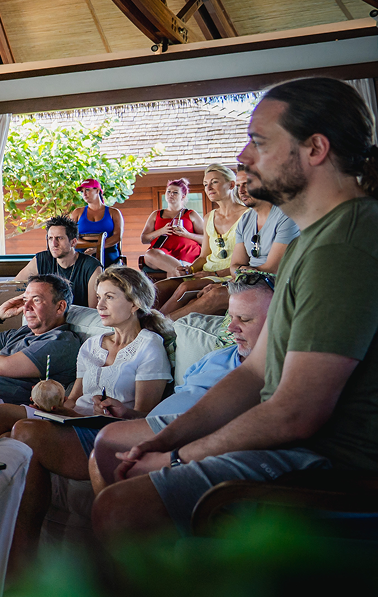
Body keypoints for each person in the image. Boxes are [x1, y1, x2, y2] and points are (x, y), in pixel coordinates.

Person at [93, 77, 378, 540]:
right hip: (300, 442)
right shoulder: (311, 241)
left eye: (259, 142)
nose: (243, 156)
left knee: (121, 508)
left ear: (315, 149)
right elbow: (253, 373)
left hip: (330, 464)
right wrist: (168, 437)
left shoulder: (344, 244)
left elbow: (296, 413)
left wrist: (178, 457)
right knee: (113, 451)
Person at [0, 266, 174, 571]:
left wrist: (121, 410)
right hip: (74, 419)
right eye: (99, 297)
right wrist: (54, 406)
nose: (99, 305)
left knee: (24, 432)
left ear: (135, 303)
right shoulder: (92, 345)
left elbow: (146, 417)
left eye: (109, 297)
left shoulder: (149, 346)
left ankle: (21, 554)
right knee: (2, 414)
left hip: (109, 431)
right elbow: (73, 401)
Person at [91, 270, 274, 490]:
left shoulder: (274, 372)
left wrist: (172, 453)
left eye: (244, 319)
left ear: (277, 321)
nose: (231, 328)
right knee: (102, 449)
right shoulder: (214, 358)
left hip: (191, 441)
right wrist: (129, 414)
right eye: (231, 317)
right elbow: (166, 410)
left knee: (106, 446)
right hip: (162, 430)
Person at [161, 169, 298, 321]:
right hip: (244, 280)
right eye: (239, 186)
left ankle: (160, 326)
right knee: (162, 288)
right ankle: (152, 324)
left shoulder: (286, 216)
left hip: (272, 284)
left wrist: (227, 279)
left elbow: (271, 270)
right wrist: (192, 269)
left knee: (207, 293)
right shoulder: (246, 220)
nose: (242, 191)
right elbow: (235, 265)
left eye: (247, 184)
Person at [0, 274, 81, 405]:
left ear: (60, 307)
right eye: (25, 300)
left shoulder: (60, 342)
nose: (26, 307)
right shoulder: (24, 333)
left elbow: (1, 367)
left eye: (36, 300)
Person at [154, 164, 244, 310]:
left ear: (231, 185)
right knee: (158, 288)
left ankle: (157, 322)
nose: (209, 188)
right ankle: (140, 321)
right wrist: (190, 269)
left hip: (228, 275)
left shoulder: (247, 216)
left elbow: (248, 261)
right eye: (205, 184)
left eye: (214, 182)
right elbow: (204, 256)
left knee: (185, 288)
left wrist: (213, 273)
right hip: (206, 272)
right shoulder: (209, 217)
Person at [15, 216, 102, 308]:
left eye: (59, 238)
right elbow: (14, 286)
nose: (54, 244)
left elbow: (93, 311)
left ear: (73, 242)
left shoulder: (91, 267)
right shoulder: (41, 260)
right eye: (50, 238)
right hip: (46, 315)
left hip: (79, 316)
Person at [138, 178, 206, 277]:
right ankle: (184, 272)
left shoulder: (191, 214)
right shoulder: (156, 214)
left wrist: (187, 234)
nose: (171, 194)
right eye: (168, 191)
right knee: (150, 254)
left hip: (186, 253)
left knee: (172, 272)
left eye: (175, 192)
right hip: (162, 255)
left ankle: (179, 272)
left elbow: (206, 239)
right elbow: (144, 239)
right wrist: (161, 231)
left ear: (183, 196)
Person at [70, 178, 124, 266]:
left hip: (107, 250)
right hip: (82, 250)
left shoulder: (114, 212)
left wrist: (98, 248)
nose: (84, 194)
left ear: (97, 190)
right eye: (82, 191)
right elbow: (71, 235)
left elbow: (117, 236)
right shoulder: (77, 212)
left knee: (110, 267)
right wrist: (90, 246)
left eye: (87, 190)